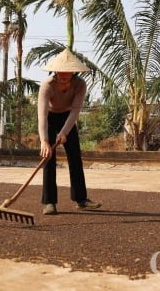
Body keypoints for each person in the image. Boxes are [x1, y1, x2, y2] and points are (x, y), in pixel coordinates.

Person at [37, 48, 102, 215]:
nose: (64, 74)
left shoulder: (80, 84)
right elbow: (42, 116)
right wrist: (44, 140)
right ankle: (49, 202)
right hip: (50, 118)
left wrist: (64, 132)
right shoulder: (47, 86)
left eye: (68, 71)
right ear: (56, 70)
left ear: (74, 71)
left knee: (75, 158)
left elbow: (75, 111)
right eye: (61, 71)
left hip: (68, 118)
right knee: (48, 158)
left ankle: (81, 199)